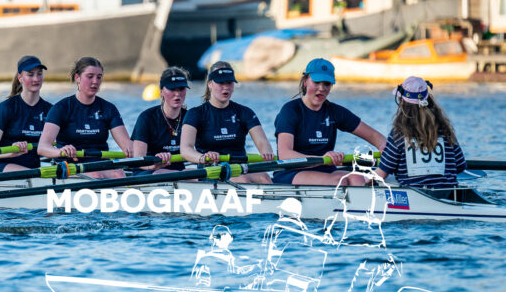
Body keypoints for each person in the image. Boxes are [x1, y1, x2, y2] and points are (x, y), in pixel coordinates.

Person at [273, 58, 386, 186]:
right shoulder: (290, 110)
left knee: (357, 178)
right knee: (339, 182)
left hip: (325, 168)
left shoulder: (334, 111)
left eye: (326, 84)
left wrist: (384, 147)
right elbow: (284, 154)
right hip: (292, 171)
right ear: (305, 82)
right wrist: (322, 159)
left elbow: (375, 136)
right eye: (316, 82)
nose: (321, 88)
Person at [180, 61, 274, 184]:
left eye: (229, 82)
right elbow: (185, 149)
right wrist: (203, 158)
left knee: (264, 177)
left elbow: (262, 142)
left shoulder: (245, 112)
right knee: (243, 180)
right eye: (221, 82)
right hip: (211, 169)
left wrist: (266, 151)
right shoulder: (195, 114)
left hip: (240, 167)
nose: (226, 87)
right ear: (210, 84)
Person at [38, 56, 133, 179]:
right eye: (90, 76)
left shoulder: (109, 108)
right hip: (70, 164)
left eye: (99, 77)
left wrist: (139, 149)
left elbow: (128, 146)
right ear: (77, 77)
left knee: (119, 173)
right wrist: (60, 151)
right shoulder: (61, 108)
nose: (95, 81)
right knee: (95, 175)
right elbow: (42, 148)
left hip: (100, 163)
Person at [374, 77, 466, 188]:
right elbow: (460, 166)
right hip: (448, 193)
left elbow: (381, 174)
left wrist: (364, 178)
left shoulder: (398, 134)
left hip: (414, 195)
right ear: (429, 100)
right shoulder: (445, 130)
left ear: (402, 102)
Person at [0, 55, 52, 173]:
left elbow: (58, 143)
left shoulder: (50, 110)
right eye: (30, 75)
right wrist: (11, 152)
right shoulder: (6, 107)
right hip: (4, 166)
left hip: (35, 169)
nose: (36, 79)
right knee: (32, 176)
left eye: (39, 74)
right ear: (20, 78)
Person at [131, 67, 189, 174]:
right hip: (148, 171)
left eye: (181, 89)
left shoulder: (190, 117)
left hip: (181, 172)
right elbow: (138, 159)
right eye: (172, 89)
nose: (177, 94)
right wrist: (154, 165)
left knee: (191, 171)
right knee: (162, 172)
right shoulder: (146, 118)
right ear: (161, 92)